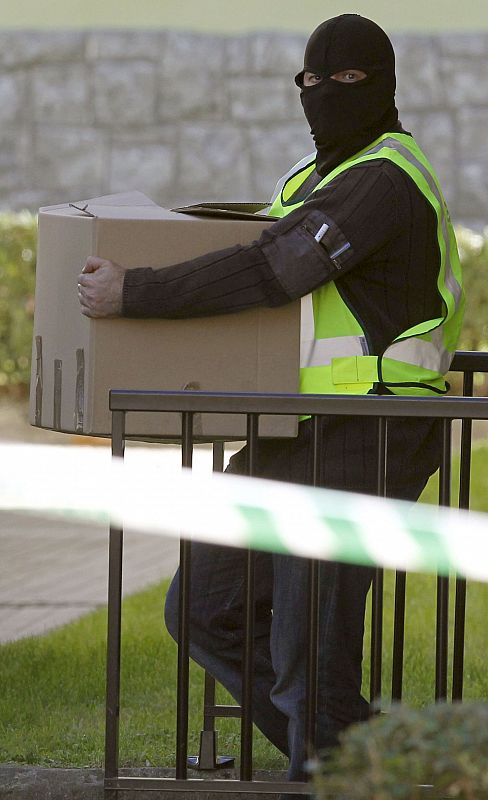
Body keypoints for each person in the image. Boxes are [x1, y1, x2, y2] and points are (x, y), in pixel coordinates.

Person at [78, 13, 464, 789]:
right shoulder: (312, 178)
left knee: (309, 655)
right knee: (203, 608)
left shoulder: (385, 179)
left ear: (384, 85)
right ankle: (360, 760)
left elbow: (277, 271)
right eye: (312, 83)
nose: (326, 95)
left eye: (348, 81)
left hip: (372, 429)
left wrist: (136, 292)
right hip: (297, 428)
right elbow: (257, 255)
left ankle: (333, 764)